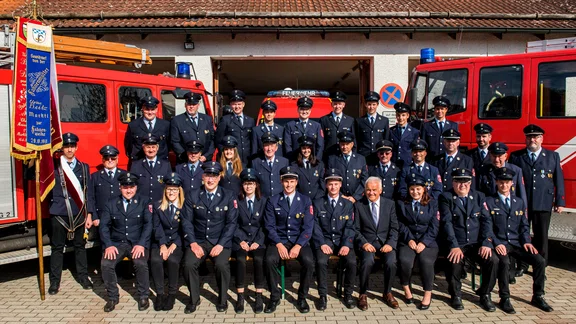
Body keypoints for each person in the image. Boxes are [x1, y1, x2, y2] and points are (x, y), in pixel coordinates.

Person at [484, 167, 552, 314]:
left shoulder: (519, 202)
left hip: (517, 243)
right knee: (504, 262)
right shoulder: (489, 202)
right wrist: (496, 243)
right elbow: (487, 228)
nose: (504, 185)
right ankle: (505, 298)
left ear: (512, 184)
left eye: (507, 182)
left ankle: (538, 295)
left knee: (540, 261)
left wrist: (527, 241)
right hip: (501, 243)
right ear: (496, 183)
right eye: (501, 182)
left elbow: (524, 226)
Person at [181, 162, 238, 313]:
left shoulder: (228, 195)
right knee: (188, 264)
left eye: (214, 176)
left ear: (219, 178)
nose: (210, 180)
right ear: (203, 177)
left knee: (221, 265)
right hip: (198, 241)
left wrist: (221, 244)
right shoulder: (193, 195)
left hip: (220, 241)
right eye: (208, 176)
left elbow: (231, 223)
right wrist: (192, 243)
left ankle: (222, 299)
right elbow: (186, 221)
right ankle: (194, 299)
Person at [438, 168, 498, 311]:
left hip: (476, 243)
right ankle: (456, 295)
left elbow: (486, 221)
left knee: (493, 260)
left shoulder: (479, 197)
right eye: (458, 181)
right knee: (454, 261)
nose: (462, 185)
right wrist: (453, 246)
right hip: (457, 242)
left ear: (470, 183)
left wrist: (486, 243)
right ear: (453, 182)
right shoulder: (446, 197)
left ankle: (485, 294)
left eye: (465, 181)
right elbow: (446, 223)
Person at [509, 124, 565, 274]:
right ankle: (522, 265)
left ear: (541, 138)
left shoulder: (552, 156)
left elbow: (558, 180)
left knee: (542, 237)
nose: (532, 139)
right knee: (522, 234)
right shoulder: (516, 156)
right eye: (529, 137)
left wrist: (559, 201)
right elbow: (511, 181)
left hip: (543, 202)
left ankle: (541, 267)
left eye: (535, 137)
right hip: (522, 203)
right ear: (525, 139)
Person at [263, 166, 315, 314]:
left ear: (297, 182)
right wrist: (279, 244)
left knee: (309, 261)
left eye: (292, 181)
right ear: (281, 181)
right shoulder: (273, 200)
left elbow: (308, 227)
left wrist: (298, 246)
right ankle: (274, 296)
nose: (289, 185)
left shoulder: (305, 200)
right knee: (269, 260)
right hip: (279, 240)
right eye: (286, 181)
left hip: (299, 240)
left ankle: (302, 297)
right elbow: (269, 226)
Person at [48, 132, 94, 295]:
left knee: (80, 247)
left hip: (78, 213)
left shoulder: (83, 167)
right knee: (57, 248)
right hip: (59, 213)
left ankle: (83, 277)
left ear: (76, 147)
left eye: (72, 146)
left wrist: (89, 214)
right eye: (66, 146)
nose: (69, 149)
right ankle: (55, 282)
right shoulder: (54, 166)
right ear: (62, 148)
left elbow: (87, 193)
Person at [99, 173, 152, 312]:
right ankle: (112, 297)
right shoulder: (111, 203)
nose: (128, 190)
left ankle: (143, 296)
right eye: (125, 187)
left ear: (136, 187)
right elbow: (104, 226)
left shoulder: (144, 201)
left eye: (131, 187)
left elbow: (148, 225)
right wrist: (108, 245)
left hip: (137, 242)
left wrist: (141, 244)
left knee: (140, 263)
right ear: (120, 187)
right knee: (106, 264)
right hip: (117, 243)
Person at [312, 169, 357, 310]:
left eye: (336, 184)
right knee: (320, 261)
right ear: (326, 185)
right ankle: (323, 295)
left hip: (342, 240)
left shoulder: (348, 204)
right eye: (330, 184)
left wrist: (346, 244)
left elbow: (350, 226)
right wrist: (322, 243)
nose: (333, 187)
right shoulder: (318, 203)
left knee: (352, 262)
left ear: (340, 185)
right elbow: (314, 225)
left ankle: (348, 294)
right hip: (325, 240)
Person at [354, 177, 399, 311]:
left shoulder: (390, 204)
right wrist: (364, 243)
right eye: (368, 190)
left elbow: (395, 227)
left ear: (380, 190)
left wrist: (391, 243)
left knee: (391, 262)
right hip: (368, 243)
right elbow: (355, 229)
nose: (371, 193)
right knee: (367, 262)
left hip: (386, 243)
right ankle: (363, 293)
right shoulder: (359, 205)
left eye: (374, 190)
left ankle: (388, 292)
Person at [396, 174, 439, 310]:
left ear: (424, 189)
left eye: (418, 189)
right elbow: (400, 223)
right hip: (408, 240)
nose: (415, 192)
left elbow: (435, 226)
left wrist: (424, 242)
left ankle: (427, 293)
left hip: (428, 242)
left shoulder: (432, 203)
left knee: (426, 262)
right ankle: (406, 289)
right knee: (405, 262)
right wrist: (409, 239)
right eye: (412, 189)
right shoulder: (402, 203)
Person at [233, 169, 267, 314]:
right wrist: (241, 239)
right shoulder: (236, 201)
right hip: (241, 240)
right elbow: (232, 223)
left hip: (258, 240)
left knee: (259, 259)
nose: (248, 187)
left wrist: (258, 242)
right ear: (242, 186)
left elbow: (266, 225)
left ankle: (258, 295)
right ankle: (240, 296)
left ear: (256, 186)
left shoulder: (263, 201)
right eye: (246, 184)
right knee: (240, 259)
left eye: (251, 184)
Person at [150, 173, 185, 311]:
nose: (171, 192)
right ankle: (159, 294)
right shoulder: (158, 206)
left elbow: (185, 228)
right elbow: (156, 226)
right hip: (160, 242)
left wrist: (175, 244)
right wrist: (163, 244)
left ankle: (171, 294)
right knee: (156, 260)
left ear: (179, 191)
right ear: (165, 190)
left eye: (174, 189)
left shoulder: (184, 206)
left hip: (178, 242)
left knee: (173, 261)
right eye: (169, 189)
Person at [477, 142, 527, 207]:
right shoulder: (483, 171)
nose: (496, 160)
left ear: (506, 156)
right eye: (494, 156)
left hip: (511, 209)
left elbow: (521, 194)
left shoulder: (516, 170)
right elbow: (479, 193)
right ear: (490, 155)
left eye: (499, 156)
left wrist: (524, 210)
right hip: (491, 209)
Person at [170, 91, 215, 163]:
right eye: (189, 104)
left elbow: (212, 140)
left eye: (194, 104)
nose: (191, 106)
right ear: (185, 105)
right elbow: (175, 142)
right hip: (185, 161)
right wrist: (189, 157)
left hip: (204, 162)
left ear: (198, 105)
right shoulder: (177, 120)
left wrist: (206, 156)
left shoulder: (207, 119)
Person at [88, 145, 126, 229]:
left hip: (121, 217)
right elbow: (90, 198)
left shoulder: (125, 175)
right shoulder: (95, 177)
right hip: (102, 218)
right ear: (102, 160)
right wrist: (94, 216)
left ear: (117, 159)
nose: (110, 160)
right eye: (107, 158)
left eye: (113, 158)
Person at [327, 130, 368, 204]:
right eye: (342, 144)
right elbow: (330, 179)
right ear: (339, 144)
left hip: (357, 200)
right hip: (339, 199)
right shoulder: (332, 159)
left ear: (352, 144)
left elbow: (364, 179)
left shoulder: (360, 159)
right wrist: (340, 195)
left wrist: (355, 197)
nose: (344, 147)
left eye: (347, 144)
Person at [125, 95, 170, 161]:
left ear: (157, 109)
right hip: (139, 162)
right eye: (147, 109)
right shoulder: (133, 125)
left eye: (152, 109)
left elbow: (168, 145)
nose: (150, 112)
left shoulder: (165, 125)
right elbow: (129, 146)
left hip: (161, 163)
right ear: (142, 109)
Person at [215, 90, 255, 164]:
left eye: (239, 104)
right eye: (234, 104)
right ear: (230, 105)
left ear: (243, 104)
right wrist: (226, 156)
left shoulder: (250, 120)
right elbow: (218, 141)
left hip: (247, 160)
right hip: (232, 160)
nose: (237, 107)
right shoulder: (225, 120)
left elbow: (253, 141)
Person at [130, 134, 172, 204]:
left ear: (157, 148)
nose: (151, 150)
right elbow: (132, 186)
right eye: (148, 147)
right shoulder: (136, 165)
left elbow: (169, 185)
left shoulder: (166, 165)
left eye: (153, 147)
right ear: (143, 148)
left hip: (160, 204)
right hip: (141, 204)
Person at [283, 96, 324, 161]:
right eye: (302, 109)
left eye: (307, 109)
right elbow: (287, 146)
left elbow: (320, 146)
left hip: (312, 162)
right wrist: (291, 161)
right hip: (295, 162)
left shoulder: (317, 126)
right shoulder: (290, 125)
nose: (304, 112)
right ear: (298, 110)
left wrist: (316, 161)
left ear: (310, 111)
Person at [355, 91, 390, 165]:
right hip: (363, 155)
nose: (371, 107)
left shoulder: (384, 120)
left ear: (377, 105)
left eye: (374, 104)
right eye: (369, 104)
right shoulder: (359, 121)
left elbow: (386, 139)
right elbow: (356, 140)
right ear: (365, 105)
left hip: (378, 156)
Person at [251, 132, 289, 198]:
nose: (269, 149)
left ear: (276, 148)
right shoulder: (255, 163)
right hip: (263, 201)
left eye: (272, 145)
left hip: (279, 200)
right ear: (263, 147)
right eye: (266, 145)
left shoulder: (284, 162)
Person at [320, 90, 356, 160]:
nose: (337, 106)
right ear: (332, 104)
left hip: (344, 156)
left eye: (339, 104)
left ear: (344, 105)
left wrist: (353, 157)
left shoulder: (350, 120)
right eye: (335, 104)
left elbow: (354, 140)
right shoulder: (324, 120)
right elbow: (321, 141)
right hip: (328, 156)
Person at [291, 135, 325, 201]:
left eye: (308, 148)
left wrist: (317, 199)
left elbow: (322, 185)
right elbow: (295, 186)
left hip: (317, 200)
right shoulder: (294, 165)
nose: (306, 151)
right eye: (304, 148)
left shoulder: (319, 164)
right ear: (300, 149)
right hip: (301, 200)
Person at [390, 102, 419, 168]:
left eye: (403, 115)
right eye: (398, 115)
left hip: (408, 165)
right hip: (394, 164)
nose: (400, 118)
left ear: (407, 116)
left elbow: (415, 149)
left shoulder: (414, 132)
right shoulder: (391, 131)